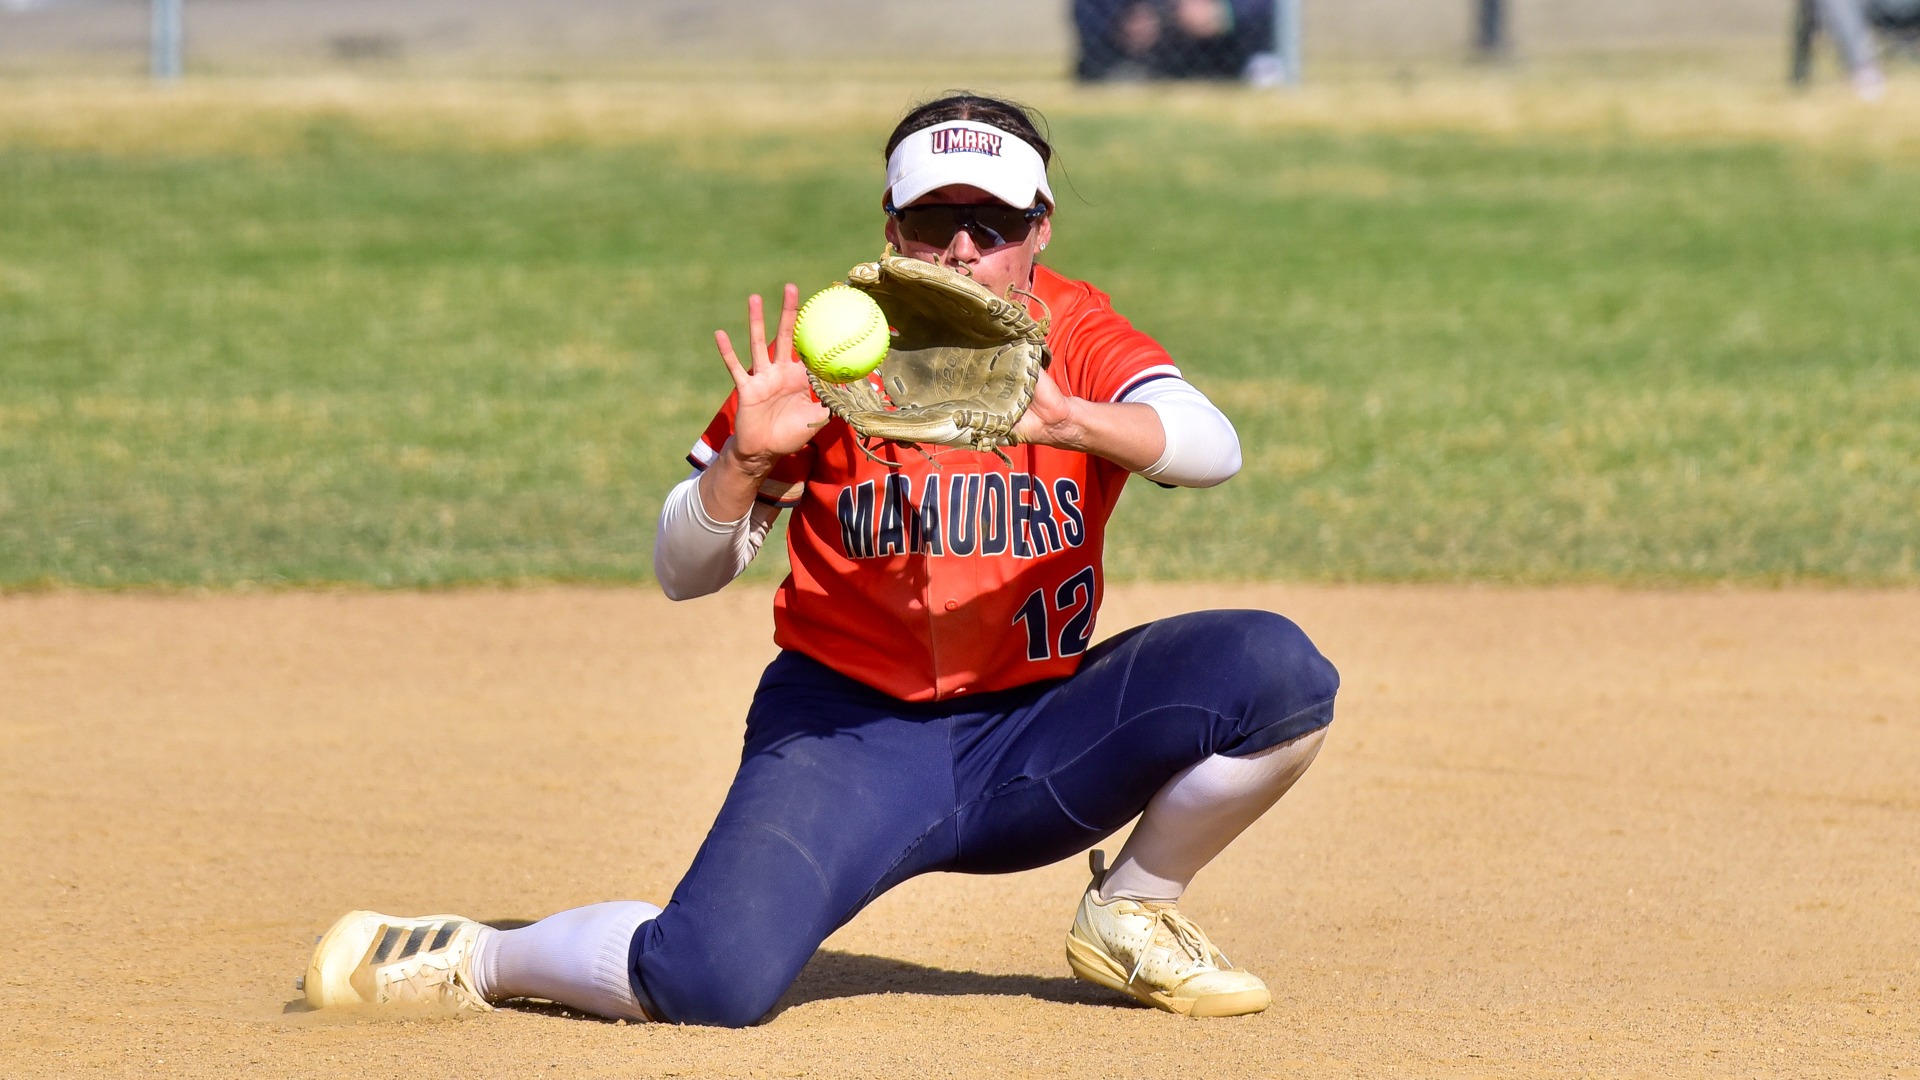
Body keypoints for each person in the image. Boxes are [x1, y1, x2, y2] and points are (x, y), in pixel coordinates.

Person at [301, 93, 1340, 1027]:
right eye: (935, 221)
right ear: (893, 229)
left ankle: (1131, 916)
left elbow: (1213, 447)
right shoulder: (832, 351)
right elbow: (684, 568)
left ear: (1040, 231)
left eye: (995, 223)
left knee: (1276, 672)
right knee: (706, 982)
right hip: (848, 740)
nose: (964, 248)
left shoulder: (1073, 330)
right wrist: (743, 465)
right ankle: (479, 954)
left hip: (1038, 737)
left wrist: (1072, 419)